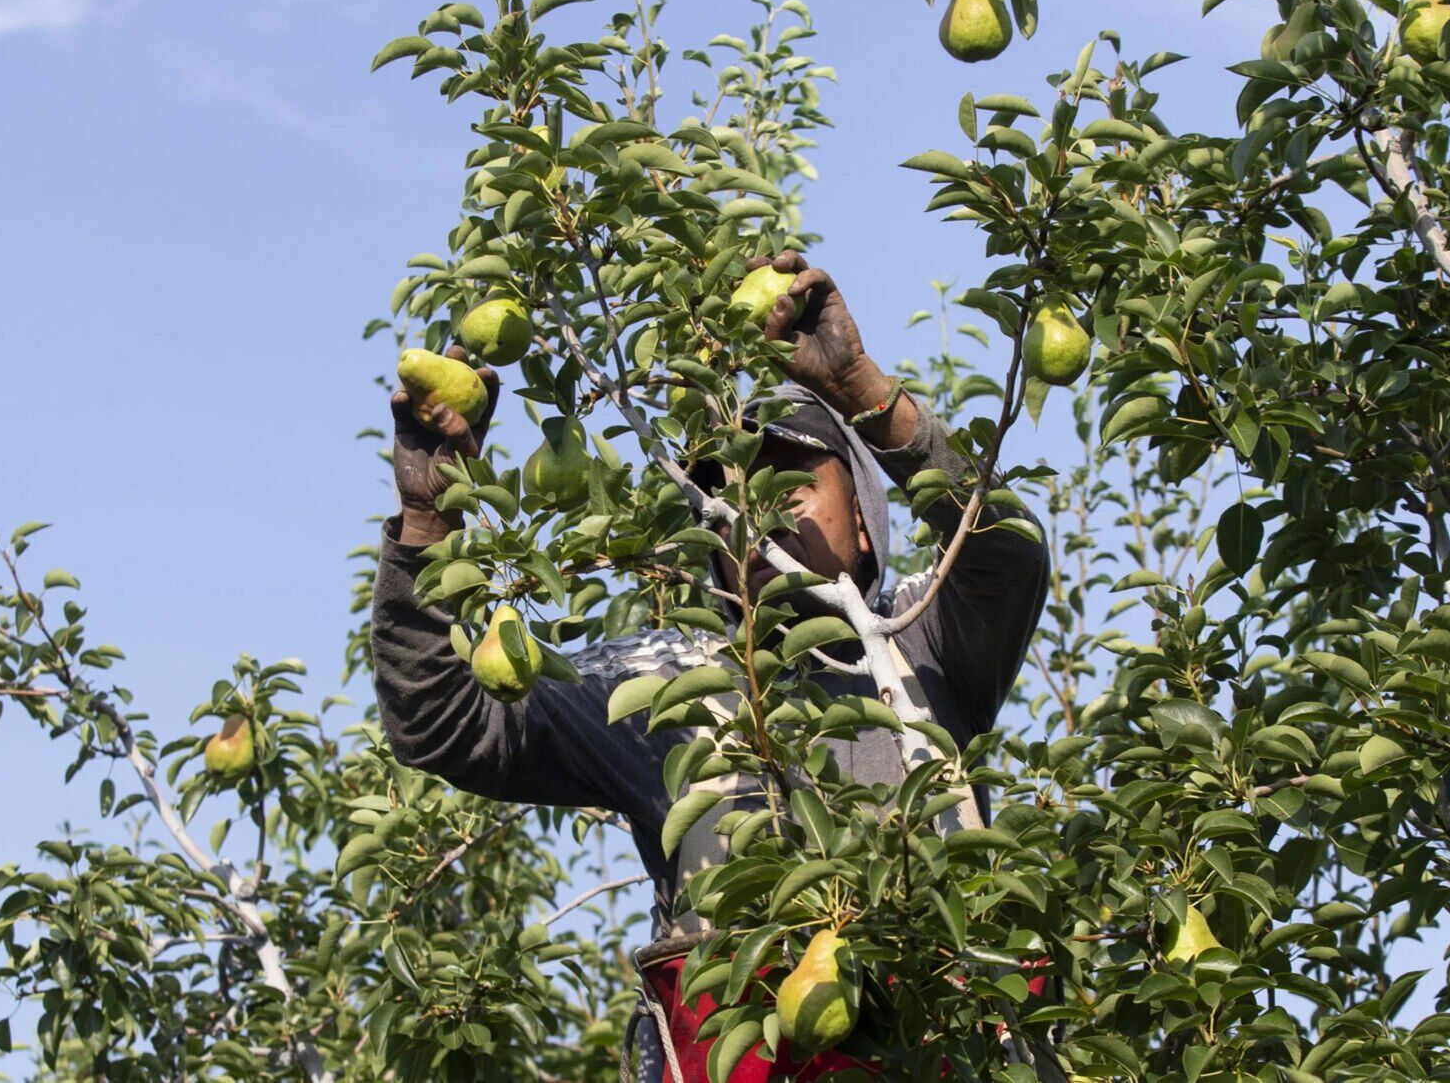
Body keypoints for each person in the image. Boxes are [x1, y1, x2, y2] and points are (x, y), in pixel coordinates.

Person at [371, 252, 1050, 1080]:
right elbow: (440, 722)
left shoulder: (927, 637)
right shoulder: (664, 680)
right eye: (729, 490)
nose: (758, 505)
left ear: (866, 520)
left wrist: (858, 388)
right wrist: (426, 519)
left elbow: (1005, 552)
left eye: (790, 475)